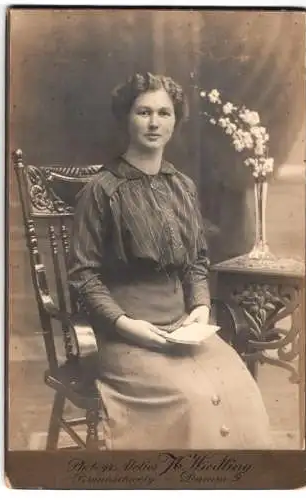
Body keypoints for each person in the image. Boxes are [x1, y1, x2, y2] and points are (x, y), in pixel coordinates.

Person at [68, 72, 273, 450]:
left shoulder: (182, 186)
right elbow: (83, 276)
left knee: (241, 389)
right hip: (125, 336)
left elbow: (196, 260)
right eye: (143, 112)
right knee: (193, 399)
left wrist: (199, 306)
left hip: (182, 326)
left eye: (164, 113)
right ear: (125, 118)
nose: (154, 122)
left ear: (175, 120)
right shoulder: (101, 190)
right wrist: (127, 325)